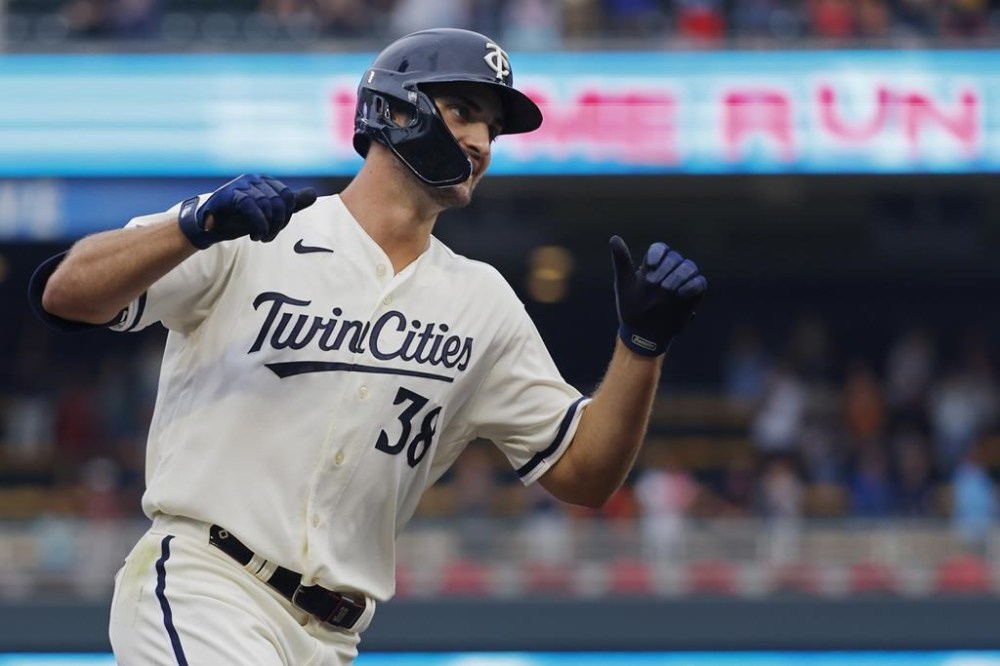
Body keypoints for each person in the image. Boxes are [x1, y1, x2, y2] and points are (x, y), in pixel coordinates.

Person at [28, 28, 707, 665]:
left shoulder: (483, 301)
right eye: (463, 111)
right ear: (396, 111)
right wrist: (191, 226)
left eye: (492, 130)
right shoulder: (256, 229)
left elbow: (584, 474)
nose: (480, 141)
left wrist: (640, 348)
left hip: (332, 635)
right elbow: (67, 292)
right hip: (208, 583)